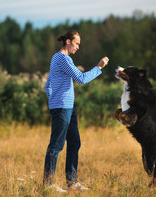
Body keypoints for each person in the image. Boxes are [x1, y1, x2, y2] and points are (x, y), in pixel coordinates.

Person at [43, 30, 109, 193]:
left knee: (75, 142)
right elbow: (81, 78)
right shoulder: (62, 58)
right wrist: (99, 67)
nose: (78, 47)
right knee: (56, 146)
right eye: (77, 43)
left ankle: (72, 182)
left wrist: (54, 100)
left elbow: (47, 85)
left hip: (67, 108)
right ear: (68, 42)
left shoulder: (57, 58)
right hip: (62, 108)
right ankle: (48, 185)